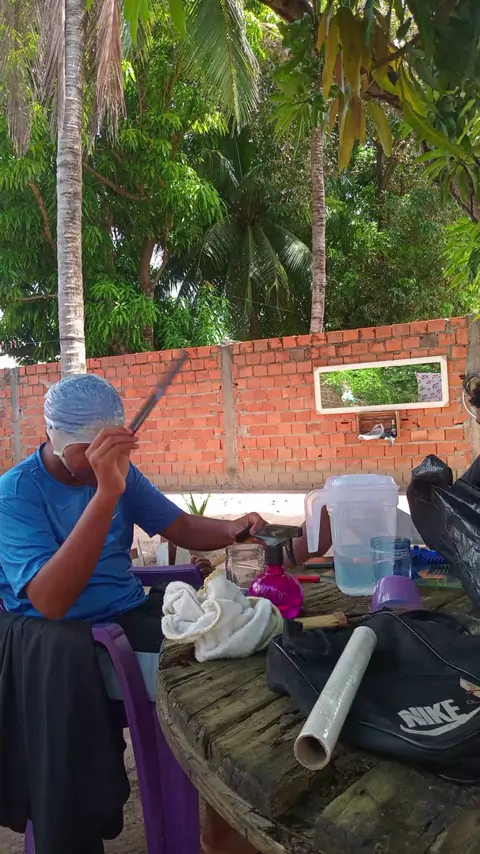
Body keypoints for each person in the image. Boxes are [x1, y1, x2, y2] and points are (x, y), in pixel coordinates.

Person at [0, 373, 268, 854]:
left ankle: (222, 830)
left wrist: (230, 529)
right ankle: (217, 832)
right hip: (65, 640)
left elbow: (178, 525)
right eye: (92, 451)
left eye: (113, 449)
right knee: (207, 676)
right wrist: (107, 493)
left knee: (236, 645)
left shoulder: (118, 474)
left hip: (130, 612)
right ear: (56, 438)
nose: (104, 462)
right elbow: (50, 601)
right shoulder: (16, 495)